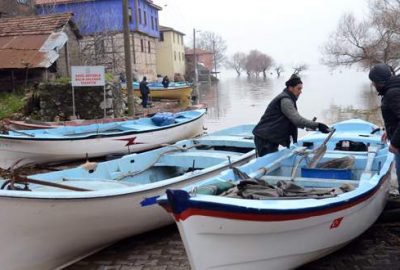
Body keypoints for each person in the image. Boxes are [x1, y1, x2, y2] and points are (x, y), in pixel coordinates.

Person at [252, 74, 330, 157]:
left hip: (270, 138)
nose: (300, 91)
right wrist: (318, 125)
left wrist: (312, 126)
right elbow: (297, 120)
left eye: (301, 89)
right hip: (265, 138)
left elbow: (294, 121)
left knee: (270, 159)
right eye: (298, 89)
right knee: (266, 162)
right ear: (290, 88)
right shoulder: (285, 100)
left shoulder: (288, 98)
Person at [368, 63, 400, 194]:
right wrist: (390, 130)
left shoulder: (392, 93)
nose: (373, 85)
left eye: (374, 82)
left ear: (379, 81)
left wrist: (394, 143)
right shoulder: (395, 88)